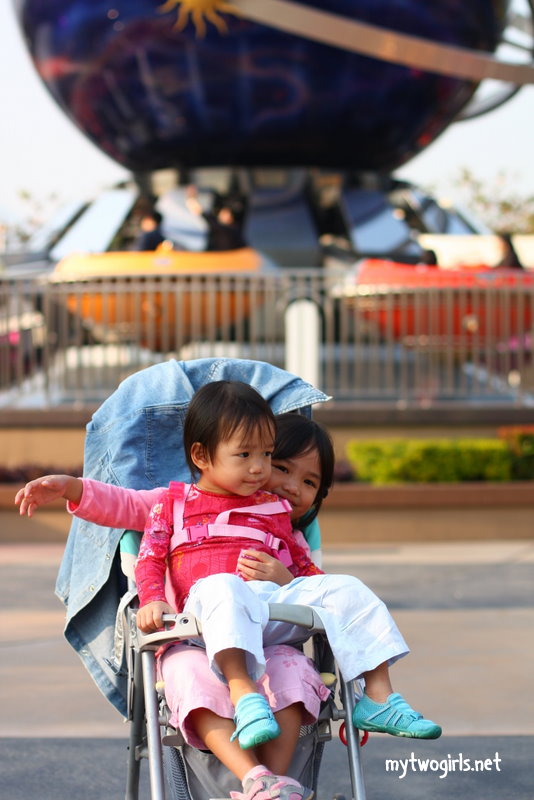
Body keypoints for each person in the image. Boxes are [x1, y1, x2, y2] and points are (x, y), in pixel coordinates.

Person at [17, 385, 441, 799]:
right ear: (202, 456)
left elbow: (312, 576)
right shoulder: (174, 502)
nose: (259, 469)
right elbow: (130, 521)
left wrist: (288, 580)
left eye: (266, 455)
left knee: (341, 594)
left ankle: (372, 701)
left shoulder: (274, 511)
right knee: (223, 588)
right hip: (202, 626)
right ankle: (247, 725)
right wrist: (72, 488)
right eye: (245, 455)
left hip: (267, 622)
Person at [185, 186, 247, 251]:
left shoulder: (229, 231)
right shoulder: (216, 223)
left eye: (227, 213)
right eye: (223, 211)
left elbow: (197, 210)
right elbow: (197, 210)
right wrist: (191, 197)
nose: (223, 214)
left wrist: (191, 197)